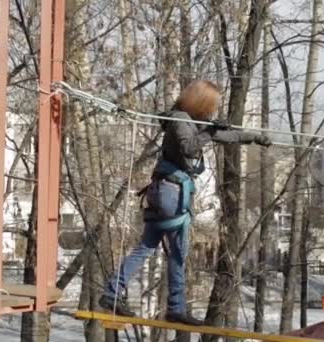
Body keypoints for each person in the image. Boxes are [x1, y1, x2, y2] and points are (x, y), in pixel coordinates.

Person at [98, 80, 272, 325]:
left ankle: (113, 294)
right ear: (202, 102)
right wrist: (210, 131)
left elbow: (225, 135)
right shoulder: (180, 119)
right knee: (178, 253)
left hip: (165, 191)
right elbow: (190, 148)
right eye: (212, 105)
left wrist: (254, 138)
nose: (213, 110)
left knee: (149, 248)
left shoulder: (188, 121)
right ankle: (174, 308)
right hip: (171, 193)